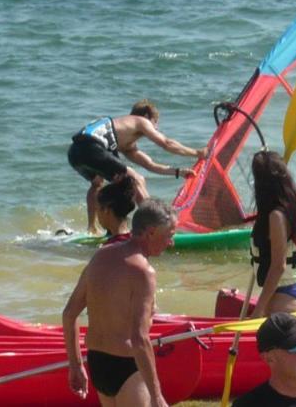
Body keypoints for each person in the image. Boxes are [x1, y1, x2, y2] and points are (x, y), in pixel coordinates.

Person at [62, 197, 177, 407]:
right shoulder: (143, 272)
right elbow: (139, 339)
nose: (172, 242)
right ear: (150, 232)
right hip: (127, 366)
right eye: (169, 235)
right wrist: (157, 395)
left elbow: (69, 314)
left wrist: (76, 365)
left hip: (97, 362)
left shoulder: (100, 256)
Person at [68, 99, 207, 234]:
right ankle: (158, 224)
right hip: (91, 147)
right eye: (155, 122)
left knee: (97, 183)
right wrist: (197, 153)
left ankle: (92, 229)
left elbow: (150, 165)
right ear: (147, 117)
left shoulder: (124, 141)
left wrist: (178, 172)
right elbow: (167, 143)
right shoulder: (140, 121)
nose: (156, 128)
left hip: (75, 153)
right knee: (136, 179)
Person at [249, 150, 296, 318]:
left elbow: (279, 266)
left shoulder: (277, 216)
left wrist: (259, 309)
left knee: (271, 344)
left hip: (285, 301)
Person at [95, 173, 144, 244]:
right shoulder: (137, 239)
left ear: (106, 210)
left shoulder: (111, 247)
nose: (97, 216)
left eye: (97, 209)